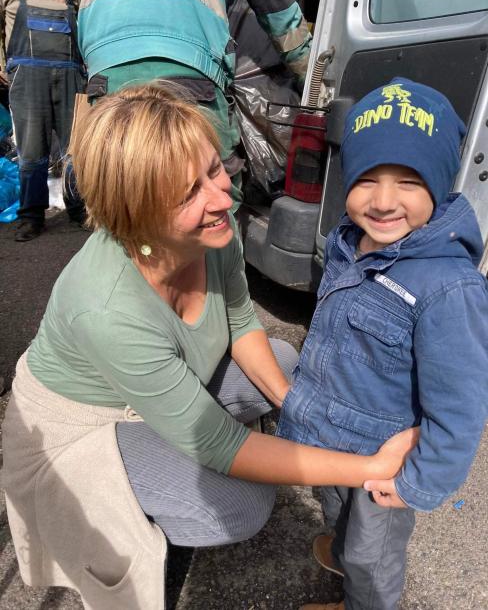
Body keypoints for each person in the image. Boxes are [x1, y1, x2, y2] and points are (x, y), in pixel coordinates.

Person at [2, 83, 417, 608]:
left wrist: (300, 410)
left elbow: (240, 320)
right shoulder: (106, 308)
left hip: (153, 383)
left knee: (283, 362)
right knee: (242, 504)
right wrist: (371, 467)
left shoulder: (213, 232)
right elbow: (223, 446)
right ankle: (137, 507)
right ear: (136, 212)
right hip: (83, 426)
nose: (221, 198)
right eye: (187, 195)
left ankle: (177, 449)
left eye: (214, 169)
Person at [276, 78, 488, 610]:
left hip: (384, 461)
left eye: (408, 182)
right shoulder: (347, 243)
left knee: (372, 560)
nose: (384, 200)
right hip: (328, 442)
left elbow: (461, 402)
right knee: (337, 518)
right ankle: (342, 562)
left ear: (438, 187)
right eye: (367, 179)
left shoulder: (448, 286)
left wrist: (422, 480)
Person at [76, 0, 312, 210]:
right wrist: (311, 73)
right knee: (212, 191)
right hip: (187, 55)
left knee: (121, 191)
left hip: (104, 60)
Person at [0, 0, 86, 241]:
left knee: (77, 148)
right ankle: (32, 217)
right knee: (32, 150)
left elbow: (87, 25)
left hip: (70, 76)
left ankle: (80, 210)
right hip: (27, 77)